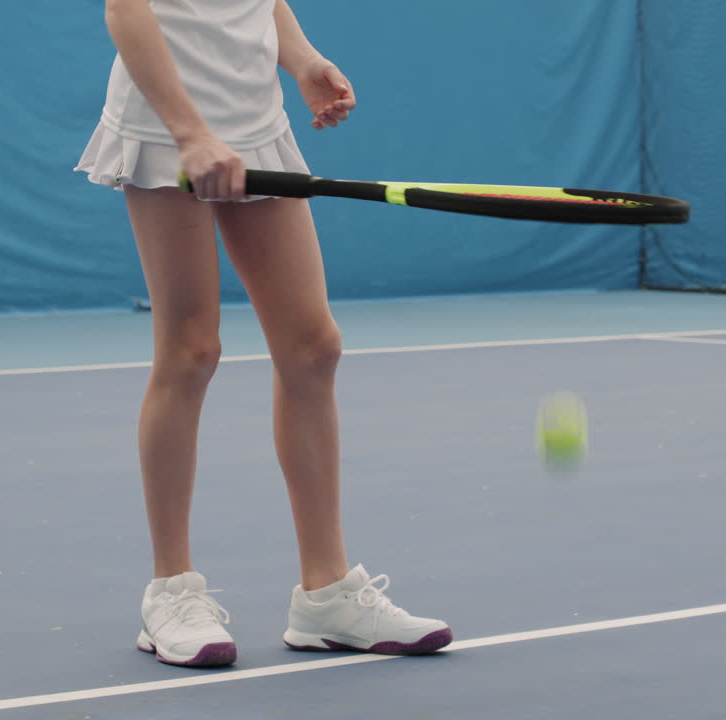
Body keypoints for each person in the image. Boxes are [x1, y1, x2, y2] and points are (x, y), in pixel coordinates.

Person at [75, 0, 451, 668]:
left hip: (254, 118)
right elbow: (125, 10)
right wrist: (191, 133)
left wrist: (302, 60)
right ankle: (170, 594)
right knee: (190, 351)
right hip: (168, 127)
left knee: (313, 347)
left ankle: (327, 594)